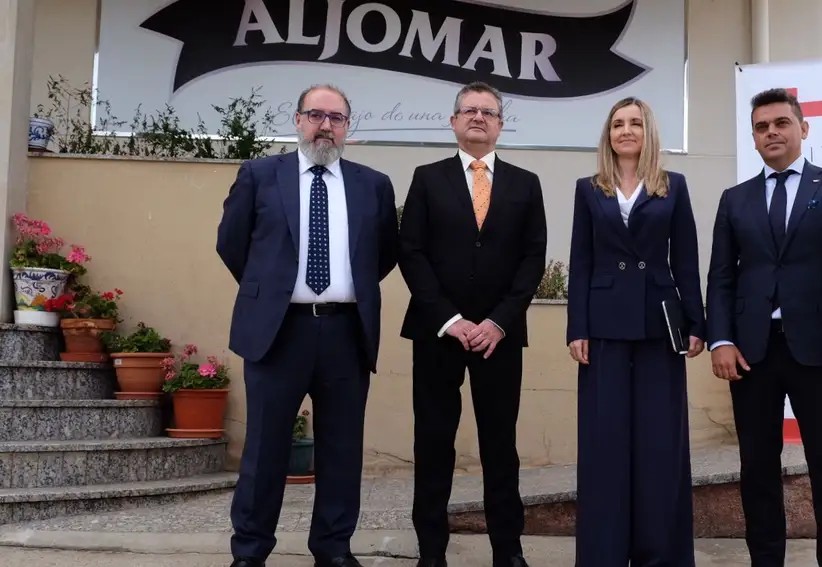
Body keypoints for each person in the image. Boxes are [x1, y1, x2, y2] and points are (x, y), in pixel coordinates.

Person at [216, 84, 399, 567]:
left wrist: (339, 290)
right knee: (264, 448)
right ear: (297, 120)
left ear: (347, 127)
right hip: (279, 331)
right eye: (316, 115)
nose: (325, 125)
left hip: (345, 331)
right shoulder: (260, 175)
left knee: (342, 449)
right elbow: (232, 244)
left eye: (336, 118)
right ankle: (250, 551)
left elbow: (382, 255)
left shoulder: (373, 185)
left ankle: (333, 549)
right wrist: (272, 289)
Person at [706, 87, 822, 567]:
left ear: (803, 129)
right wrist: (720, 339)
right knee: (757, 468)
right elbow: (721, 277)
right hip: (751, 355)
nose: (771, 132)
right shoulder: (734, 200)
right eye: (762, 127)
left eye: (781, 123)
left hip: (821, 353)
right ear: (754, 138)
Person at [397, 81, 547, 567]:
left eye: (489, 112)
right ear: (454, 121)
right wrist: (451, 319)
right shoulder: (427, 177)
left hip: (499, 338)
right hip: (439, 334)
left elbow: (532, 259)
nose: (478, 118)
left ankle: (508, 550)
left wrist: (498, 322)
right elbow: (411, 253)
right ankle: (431, 553)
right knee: (434, 444)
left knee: (500, 447)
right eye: (469, 110)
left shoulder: (526, 183)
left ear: (500, 124)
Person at [565, 96, 706, 567]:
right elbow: (580, 262)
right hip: (603, 327)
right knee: (604, 445)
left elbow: (686, 259)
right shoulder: (589, 189)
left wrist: (696, 323)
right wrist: (576, 327)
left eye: (636, 123)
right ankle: (603, 555)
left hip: (659, 326)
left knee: (659, 445)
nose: (626, 131)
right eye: (618, 124)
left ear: (649, 133)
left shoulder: (673, 186)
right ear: (608, 134)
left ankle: (660, 556)